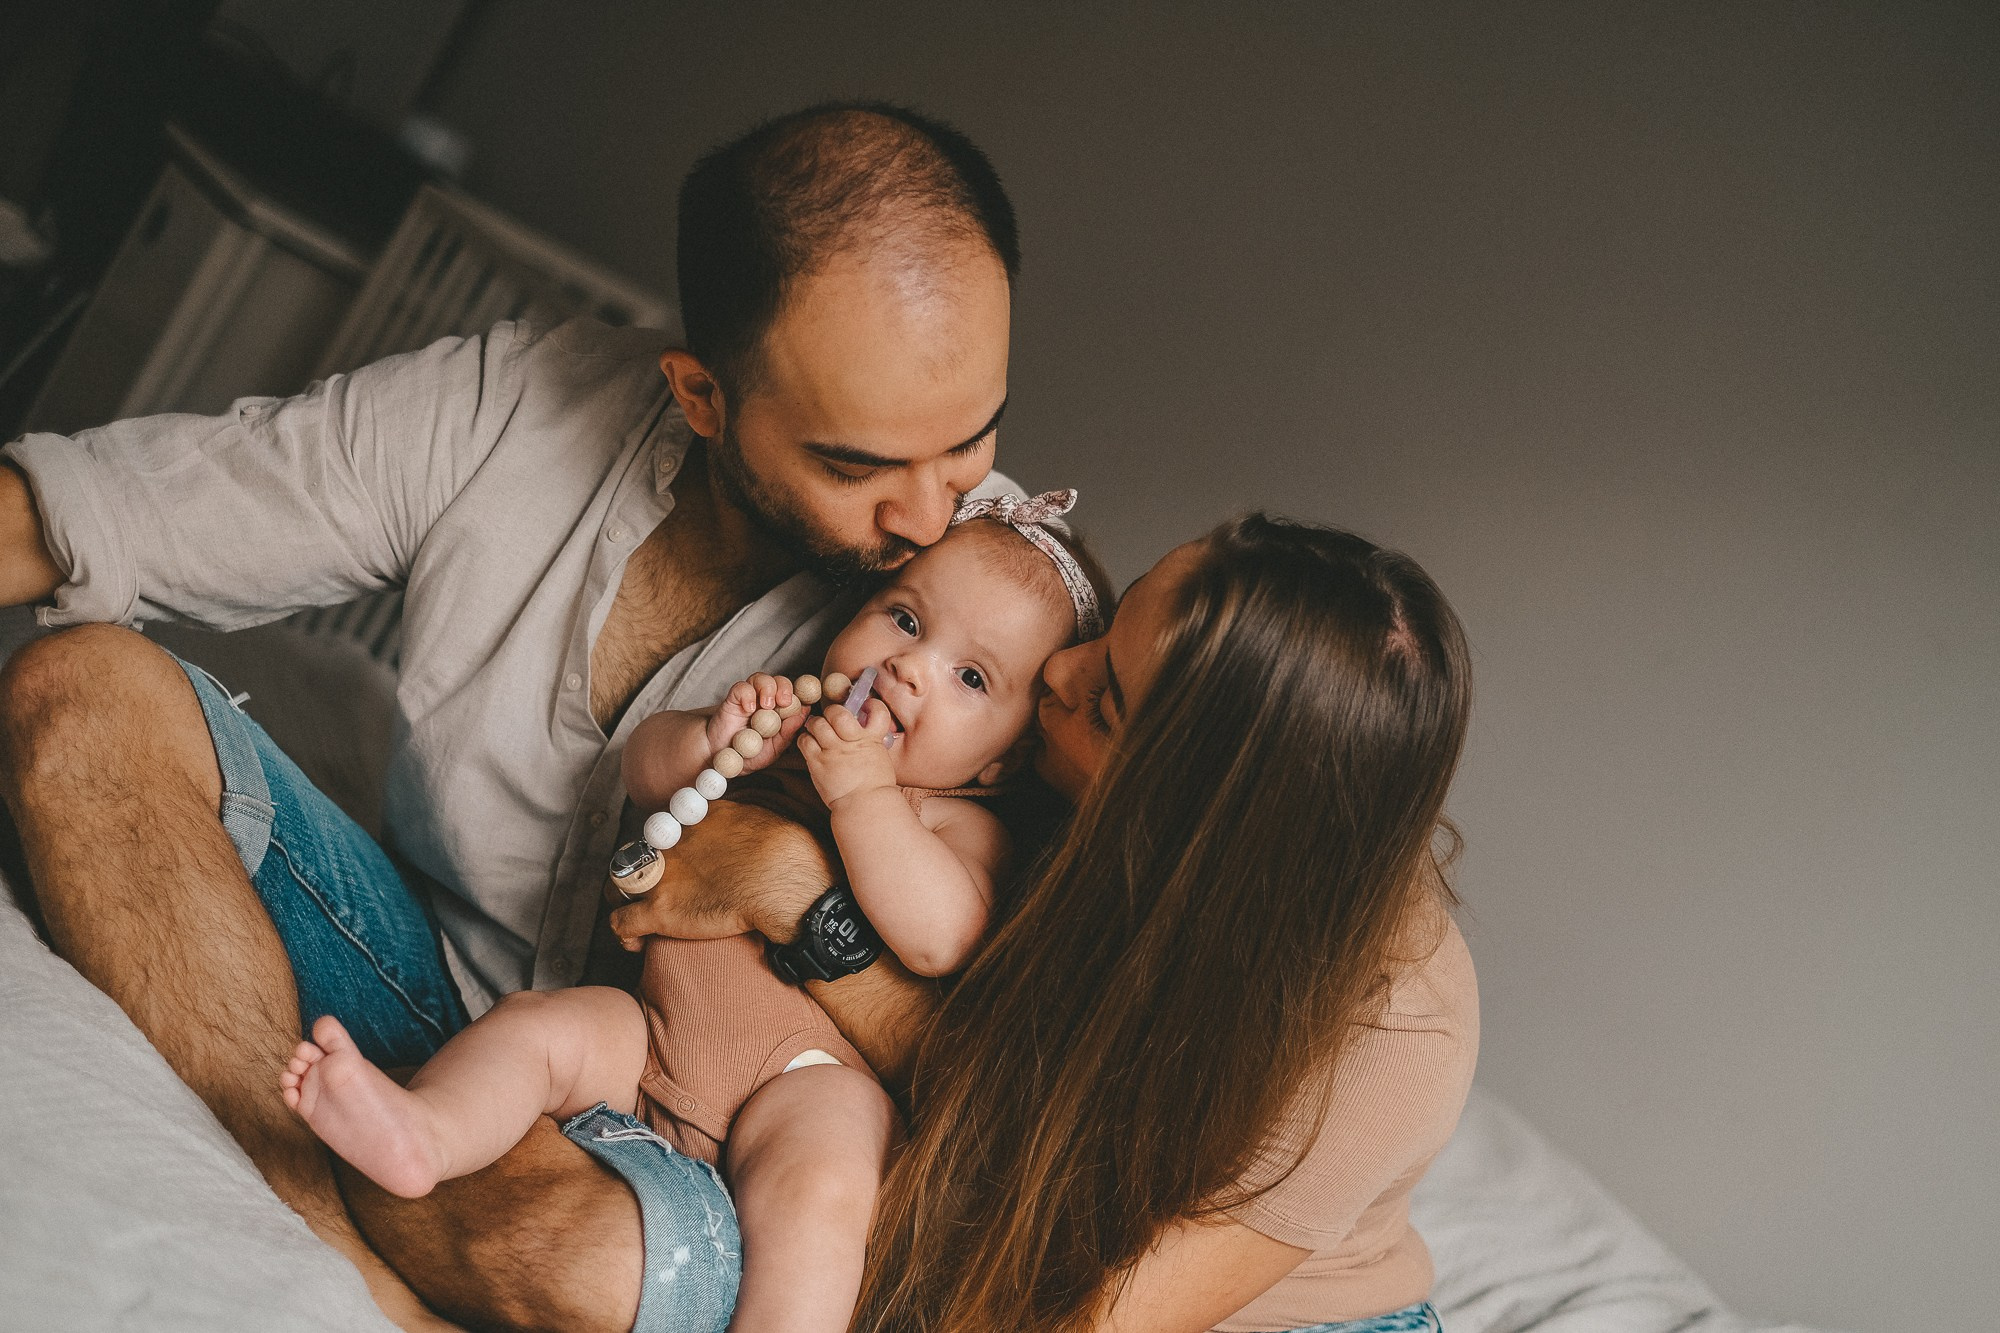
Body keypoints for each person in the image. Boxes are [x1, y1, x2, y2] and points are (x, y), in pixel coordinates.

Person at [0, 101, 1018, 1332]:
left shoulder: (998, 614)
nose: (928, 519)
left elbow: (1009, 1074)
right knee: (77, 688)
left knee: (602, 1264)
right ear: (702, 395)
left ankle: (405, 1207)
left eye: (967, 447)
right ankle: (345, 1253)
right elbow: (111, 510)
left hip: (667, 1120)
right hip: (408, 977)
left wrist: (790, 889)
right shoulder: (515, 406)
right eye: (857, 467)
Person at [597, 513, 1478, 1333]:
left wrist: (797, 897)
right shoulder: (1048, 761)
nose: (1058, 671)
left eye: (1105, 703)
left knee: (596, 1261)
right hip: (955, 1178)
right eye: (1112, 625)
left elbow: (1055, 1303)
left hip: (1122, 1298)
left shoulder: (1396, 1030)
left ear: (1184, 826)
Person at [282, 498, 1108, 1333]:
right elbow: (643, 771)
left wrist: (863, 795)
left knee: (824, 1195)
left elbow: (941, 934)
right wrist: (712, 735)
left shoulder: (955, 821)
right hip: (653, 1034)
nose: (910, 667)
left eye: (971, 677)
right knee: (537, 1029)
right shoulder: (783, 734)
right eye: (903, 618)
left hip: (806, 1079)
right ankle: (425, 1131)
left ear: (1001, 759)